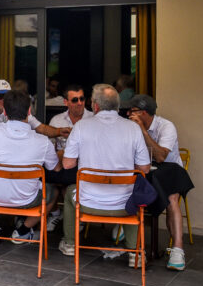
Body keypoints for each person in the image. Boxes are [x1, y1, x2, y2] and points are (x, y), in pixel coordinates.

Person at [59, 84, 150, 266]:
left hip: (88, 202)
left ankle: (70, 244)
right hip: (123, 205)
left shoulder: (81, 126)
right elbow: (145, 168)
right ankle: (135, 254)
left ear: (95, 106)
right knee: (132, 194)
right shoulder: (133, 128)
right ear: (118, 106)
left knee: (70, 192)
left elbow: (67, 164)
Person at [0, 90, 60, 244]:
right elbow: (56, 168)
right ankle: (23, 231)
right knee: (53, 192)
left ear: (5, 111)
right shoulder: (43, 141)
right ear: (29, 111)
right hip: (27, 199)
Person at [127, 94, 195, 271]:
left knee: (171, 198)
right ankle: (127, 230)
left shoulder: (166, 126)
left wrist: (142, 131)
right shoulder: (130, 126)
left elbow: (160, 156)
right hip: (146, 169)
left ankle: (178, 249)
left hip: (170, 171)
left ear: (143, 113)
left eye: (132, 111)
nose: (129, 114)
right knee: (126, 185)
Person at [45, 84, 93, 231]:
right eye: (75, 100)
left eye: (82, 99)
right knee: (46, 181)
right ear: (66, 102)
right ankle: (56, 214)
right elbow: (50, 148)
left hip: (85, 166)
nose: (80, 103)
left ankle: (75, 220)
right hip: (62, 164)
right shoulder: (57, 120)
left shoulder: (93, 119)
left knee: (70, 187)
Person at [0, 79, 68, 140]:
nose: (4, 99)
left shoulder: (16, 105)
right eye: (0, 96)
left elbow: (41, 128)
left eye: (7, 95)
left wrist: (59, 131)